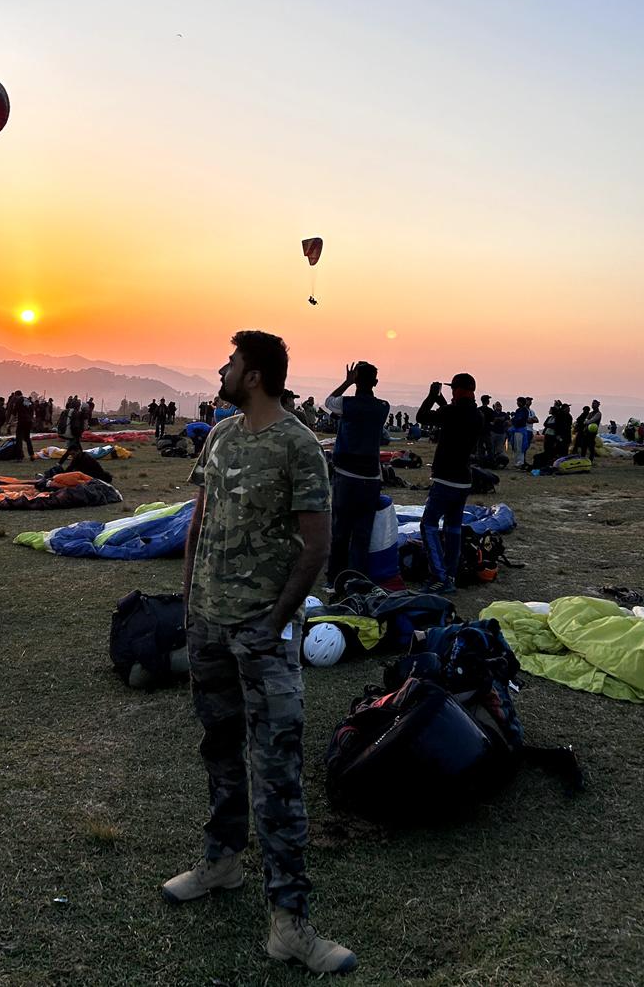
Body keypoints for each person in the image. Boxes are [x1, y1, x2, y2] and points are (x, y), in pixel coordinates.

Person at [164, 330, 355, 975]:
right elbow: (201, 515)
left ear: (252, 374)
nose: (221, 368)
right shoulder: (220, 436)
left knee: (277, 770)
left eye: (230, 361)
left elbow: (316, 546)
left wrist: (276, 622)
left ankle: (290, 923)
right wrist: (189, 596)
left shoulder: (298, 445)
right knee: (219, 746)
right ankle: (221, 861)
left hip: (261, 634)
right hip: (208, 626)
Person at [323, 362, 390, 586]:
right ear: (376, 383)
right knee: (362, 532)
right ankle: (357, 579)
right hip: (371, 477)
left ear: (356, 381)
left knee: (340, 529)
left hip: (346, 474)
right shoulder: (383, 407)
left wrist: (347, 382)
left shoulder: (347, 404)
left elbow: (328, 402)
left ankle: (334, 578)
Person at [415, 375, 483, 593]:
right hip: (463, 480)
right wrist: (442, 400)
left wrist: (431, 397)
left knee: (429, 524)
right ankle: (450, 576)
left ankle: (439, 577)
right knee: (453, 528)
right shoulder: (477, 415)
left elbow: (422, 417)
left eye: (453, 388)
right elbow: (453, 415)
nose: (452, 392)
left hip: (445, 478)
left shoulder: (452, 412)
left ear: (460, 390)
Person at [15, 395, 36, 460]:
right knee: (27, 438)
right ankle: (32, 455)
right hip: (29, 421)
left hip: (21, 421)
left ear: (17, 395)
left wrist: (9, 422)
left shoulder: (19, 401)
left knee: (19, 439)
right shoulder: (28, 401)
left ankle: (19, 456)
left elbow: (14, 412)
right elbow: (32, 411)